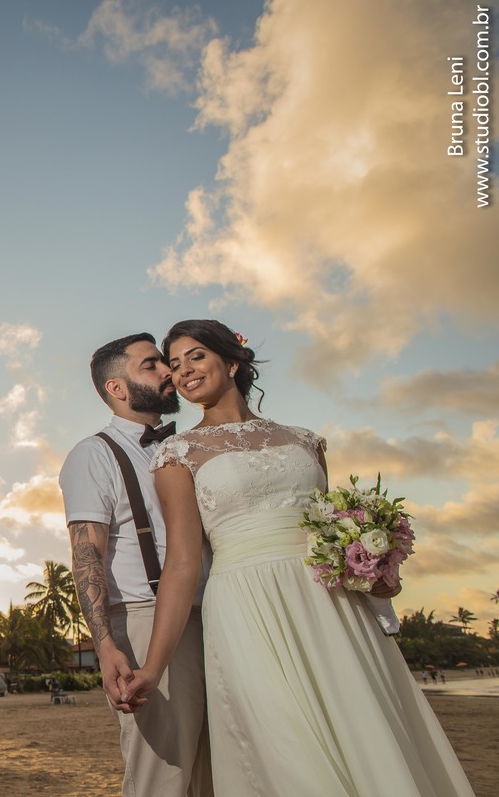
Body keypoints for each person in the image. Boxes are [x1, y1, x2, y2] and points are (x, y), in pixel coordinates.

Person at [123, 319, 475, 796]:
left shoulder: (305, 442)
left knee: (359, 723)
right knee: (283, 738)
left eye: (196, 356)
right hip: (247, 605)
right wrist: (152, 667)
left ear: (232, 361)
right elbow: (183, 563)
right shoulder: (176, 454)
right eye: (175, 363)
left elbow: (329, 527)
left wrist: (374, 565)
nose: (183, 371)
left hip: (331, 603)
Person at [59, 332, 213, 797]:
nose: (169, 372)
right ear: (117, 389)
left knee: (215, 770)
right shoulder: (94, 455)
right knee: (161, 775)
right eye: (152, 365)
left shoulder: (186, 447)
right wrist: (105, 646)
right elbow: (86, 556)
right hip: (146, 619)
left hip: (218, 614)